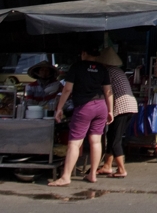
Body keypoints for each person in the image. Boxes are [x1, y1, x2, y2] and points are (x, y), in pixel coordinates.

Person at [49, 46, 114, 187]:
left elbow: (67, 89)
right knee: (96, 141)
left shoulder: (76, 67)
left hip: (85, 107)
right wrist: (110, 110)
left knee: (74, 143)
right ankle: (92, 175)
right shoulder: (102, 68)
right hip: (101, 105)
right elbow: (108, 91)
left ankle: (65, 177)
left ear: (84, 53)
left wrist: (59, 108)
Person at [95, 47, 137, 179]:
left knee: (115, 140)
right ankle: (107, 165)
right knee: (112, 134)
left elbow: (107, 91)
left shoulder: (107, 72)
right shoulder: (118, 71)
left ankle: (121, 169)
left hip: (121, 106)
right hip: (130, 105)